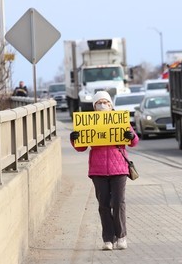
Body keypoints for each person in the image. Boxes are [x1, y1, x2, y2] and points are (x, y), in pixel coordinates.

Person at [69, 91, 139, 251]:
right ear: (94, 106)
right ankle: (108, 239)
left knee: (118, 202)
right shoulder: (89, 123)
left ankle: (121, 236)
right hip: (98, 170)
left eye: (105, 102)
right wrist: (74, 138)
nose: (102, 105)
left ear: (110, 104)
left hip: (119, 168)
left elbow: (134, 141)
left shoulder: (120, 121)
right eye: (99, 103)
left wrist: (131, 135)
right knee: (104, 205)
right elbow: (81, 147)